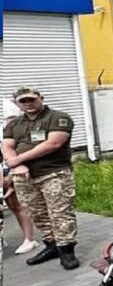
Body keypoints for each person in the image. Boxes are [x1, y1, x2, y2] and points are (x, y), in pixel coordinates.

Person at [2, 87, 80, 270]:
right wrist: (16, 165)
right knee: (37, 213)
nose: (28, 104)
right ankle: (52, 245)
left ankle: (66, 250)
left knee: (60, 213)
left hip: (53, 174)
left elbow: (53, 143)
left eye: (31, 99)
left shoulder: (57, 117)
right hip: (24, 177)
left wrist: (18, 160)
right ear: (17, 104)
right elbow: (7, 146)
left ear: (41, 98)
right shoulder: (14, 124)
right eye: (23, 101)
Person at [3, 98, 39, 254]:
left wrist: (11, 174)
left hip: (13, 169)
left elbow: (21, 150)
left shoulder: (21, 128)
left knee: (17, 206)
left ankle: (29, 239)